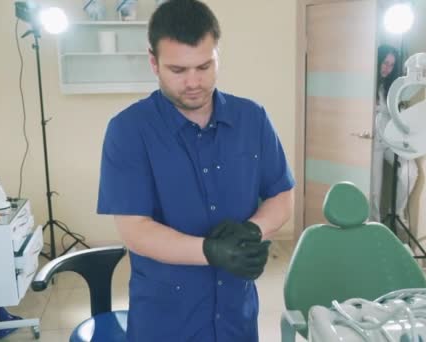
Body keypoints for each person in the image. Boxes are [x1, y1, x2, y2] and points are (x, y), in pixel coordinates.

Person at [97, 0, 295, 340]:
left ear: (218, 54)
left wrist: (253, 230)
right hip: (166, 322)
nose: (193, 82)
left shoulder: (253, 119)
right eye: (178, 70)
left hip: (237, 317)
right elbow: (135, 230)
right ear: (153, 63)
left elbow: (281, 194)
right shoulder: (128, 131)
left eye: (204, 66)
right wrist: (210, 251)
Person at [370, 44, 418, 223]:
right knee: (374, 191)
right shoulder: (367, 84)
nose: (387, 68)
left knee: (410, 170)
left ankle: (396, 213)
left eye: (391, 65)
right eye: (385, 63)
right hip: (372, 142)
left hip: (390, 139)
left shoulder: (389, 88)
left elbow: (397, 114)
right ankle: (374, 226)